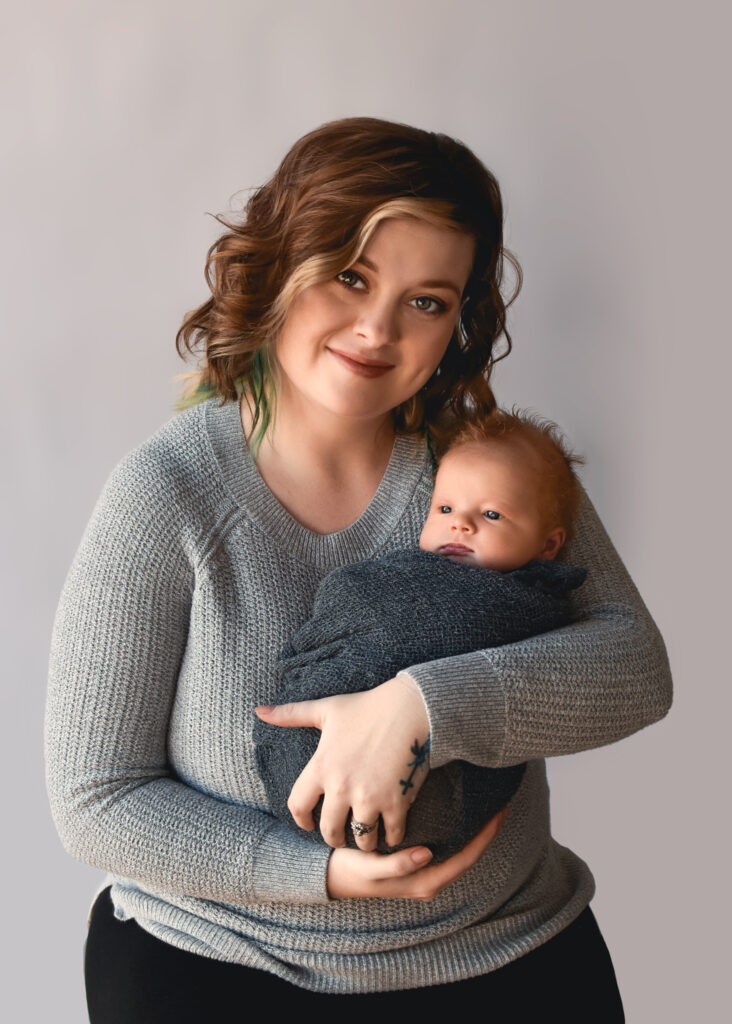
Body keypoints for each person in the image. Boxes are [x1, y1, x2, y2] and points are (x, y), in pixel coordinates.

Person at [45, 117, 672, 1021]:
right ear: (279, 266)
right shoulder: (168, 493)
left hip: (504, 953)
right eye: (350, 276)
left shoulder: (484, 470)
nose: (377, 330)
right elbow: (95, 799)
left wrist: (417, 709)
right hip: (218, 966)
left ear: (461, 320)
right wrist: (322, 876)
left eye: (427, 300)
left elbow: (635, 669)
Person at [255, 410, 588, 861]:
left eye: (491, 514)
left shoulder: (526, 604)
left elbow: (624, 658)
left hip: (442, 816)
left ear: (549, 546)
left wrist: (417, 700)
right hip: (311, 796)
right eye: (445, 509)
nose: (461, 524)